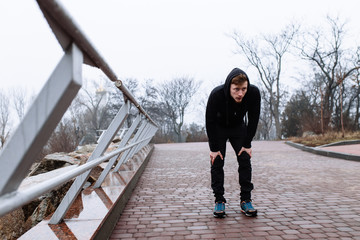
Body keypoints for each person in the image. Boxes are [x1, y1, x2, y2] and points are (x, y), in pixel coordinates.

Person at [205, 68, 261, 217]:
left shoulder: (254, 93)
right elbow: (209, 121)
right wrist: (214, 148)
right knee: (217, 161)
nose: (240, 93)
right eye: (236, 89)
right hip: (218, 128)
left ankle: (246, 200)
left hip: (238, 128)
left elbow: (253, 119)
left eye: (243, 89)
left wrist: (247, 144)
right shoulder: (216, 94)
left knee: (245, 159)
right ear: (229, 86)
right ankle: (219, 201)